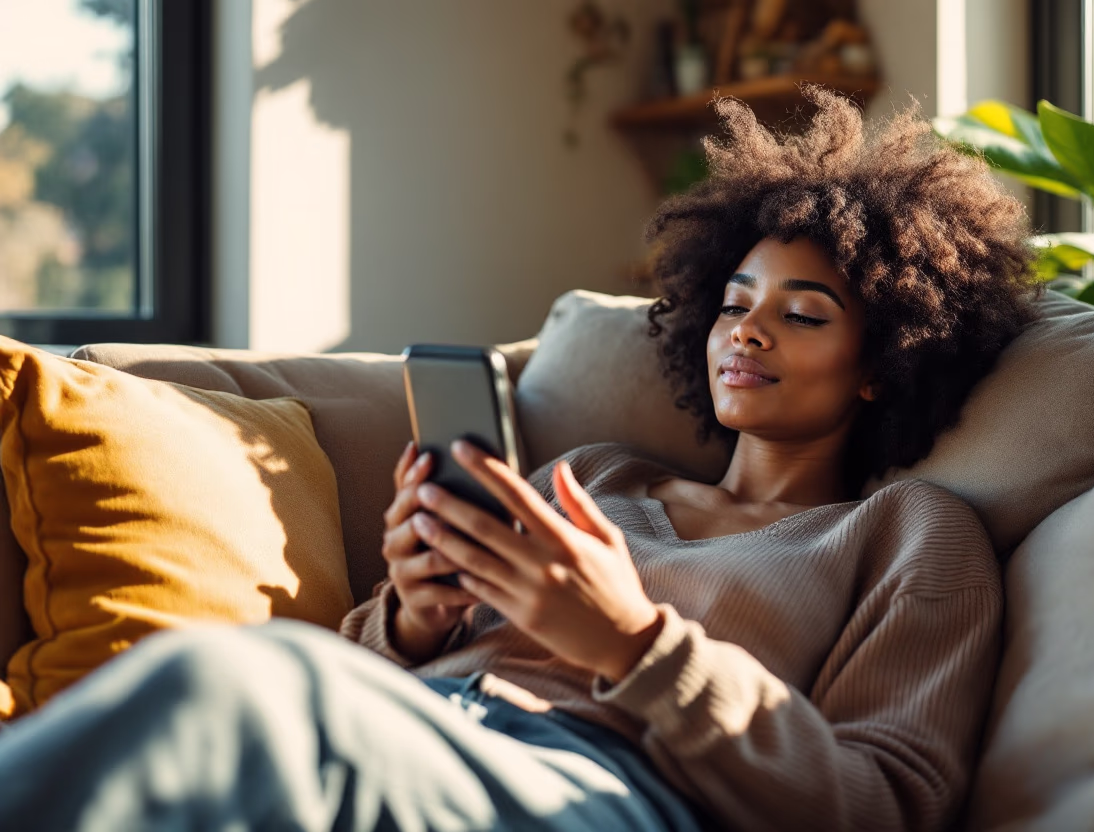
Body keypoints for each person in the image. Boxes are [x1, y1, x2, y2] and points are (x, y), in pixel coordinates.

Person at [0, 86, 1039, 831]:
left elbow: (883, 803)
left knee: (229, 689)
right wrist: (412, 612)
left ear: (885, 361)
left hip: (602, 788)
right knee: (243, 708)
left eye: (801, 314)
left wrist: (632, 641)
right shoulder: (599, 478)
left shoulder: (912, 537)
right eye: (733, 304)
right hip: (418, 727)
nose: (746, 333)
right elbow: (370, 669)